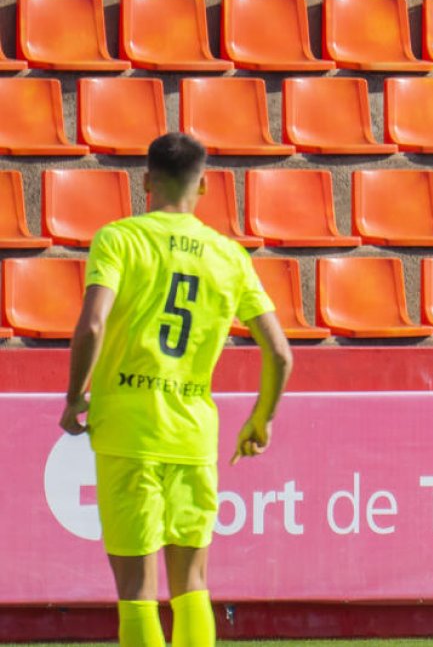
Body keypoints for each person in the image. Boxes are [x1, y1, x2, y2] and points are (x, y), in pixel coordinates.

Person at [57, 132, 293, 647]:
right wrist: (262, 418)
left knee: (137, 592)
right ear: (204, 185)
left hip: (127, 430)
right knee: (192, 587)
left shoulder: (119, 238)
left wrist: (75, 395)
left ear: (146, 181)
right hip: (192, 433)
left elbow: (92, 325)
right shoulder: (228, 255)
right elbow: (279, 353)